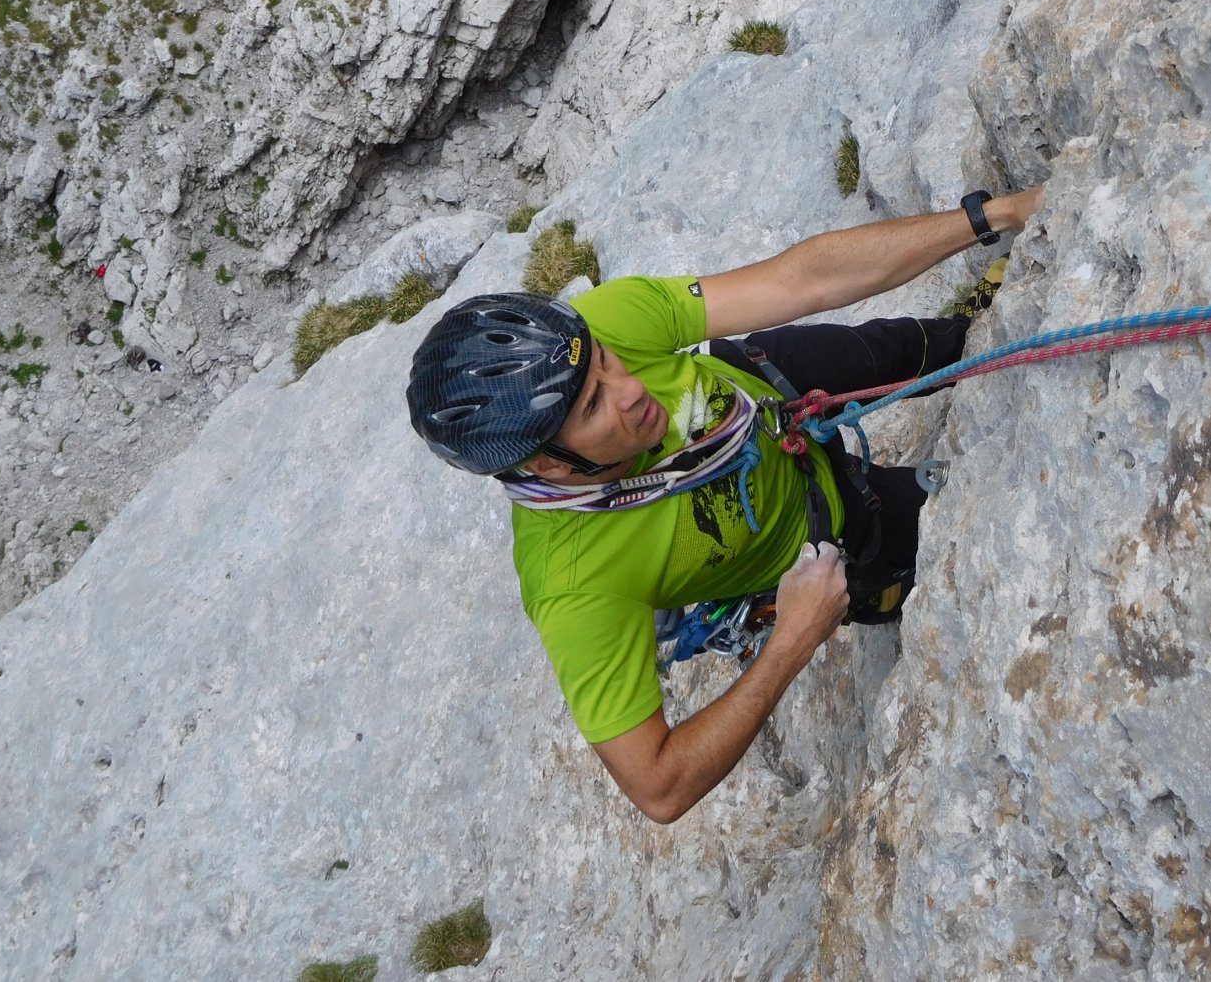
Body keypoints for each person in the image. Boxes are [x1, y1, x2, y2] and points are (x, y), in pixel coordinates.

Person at [407, 188, 1042, 822]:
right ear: (544, 464)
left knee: (912, 349)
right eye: (593, 408)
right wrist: (793, 639)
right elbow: (659, 787)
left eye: (606, 363)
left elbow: (804, 279)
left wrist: (996, 216)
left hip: (771, 394)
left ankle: (972, 331)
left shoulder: (589, 332)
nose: (630, 390)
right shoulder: (576, 585)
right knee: (963, 520)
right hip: (824, 536)